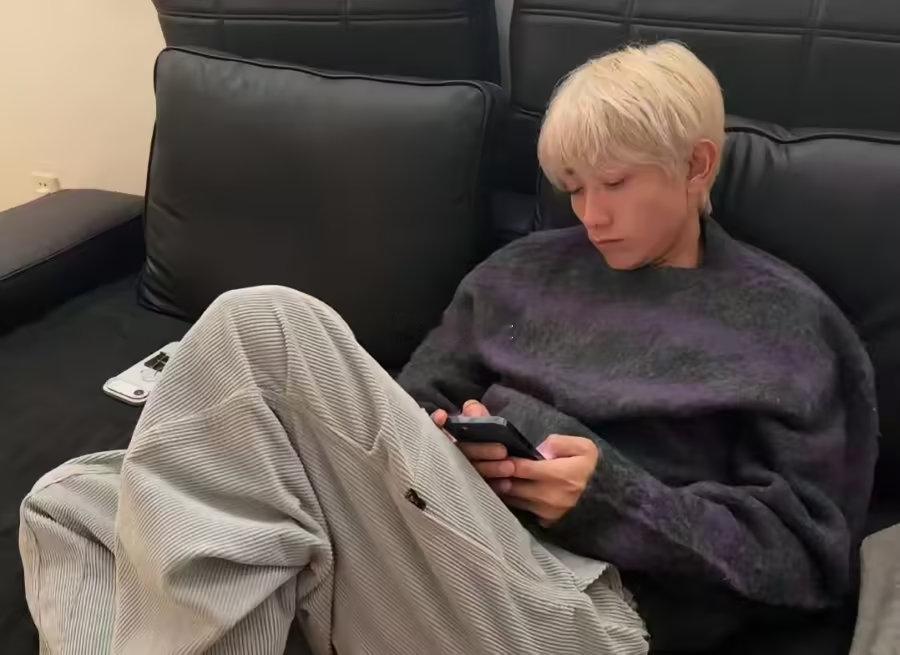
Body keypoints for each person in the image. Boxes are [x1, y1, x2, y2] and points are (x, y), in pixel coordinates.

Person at [18, 41, 877, 654]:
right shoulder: (519, 273)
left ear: (695, 167)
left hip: (585, 609)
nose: (591, 215)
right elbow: (408, 405)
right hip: (434, 546)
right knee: (74, 500)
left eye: (615, 183)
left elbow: (810, 556)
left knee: (265, 325)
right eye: (574, 188)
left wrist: (609, 497)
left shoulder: (784, 321)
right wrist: (448, 440)